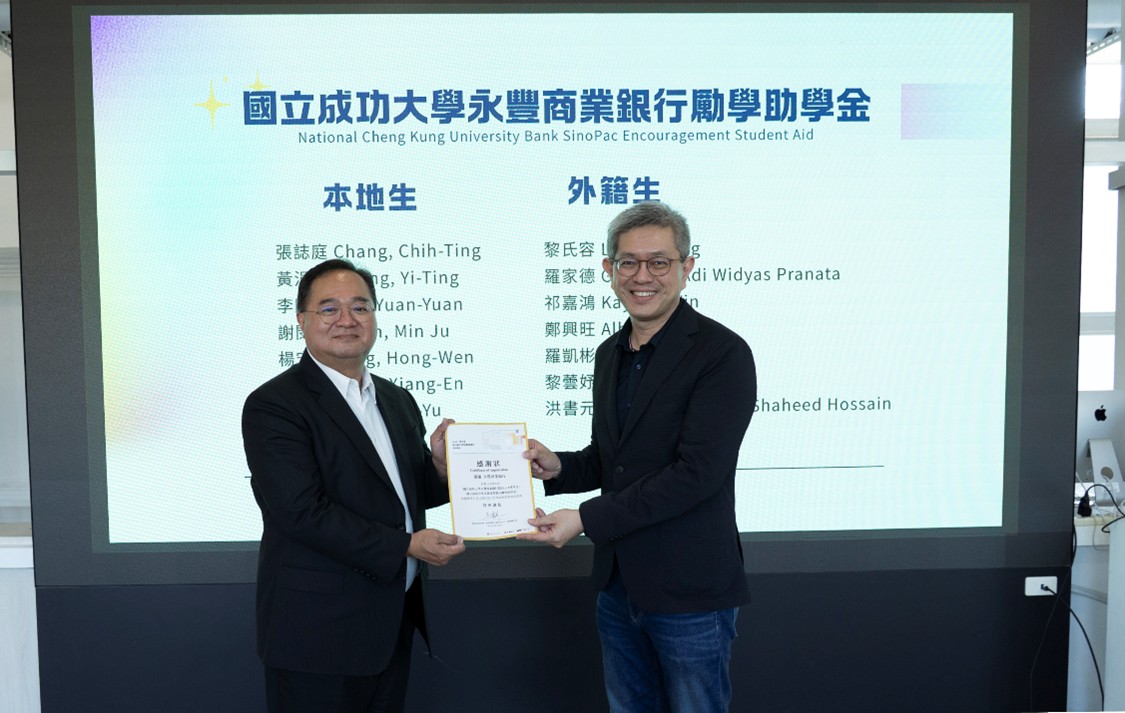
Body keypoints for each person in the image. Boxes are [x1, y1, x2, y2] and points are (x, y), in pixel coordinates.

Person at [517, 202, 756, 713]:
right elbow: (615, 459)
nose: (642, 276)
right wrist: (558, 467)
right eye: (628, 262)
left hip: (690, 591)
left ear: (687, 267)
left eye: (659, 262)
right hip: (618, 586)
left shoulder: (722, 353)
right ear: (609, 269)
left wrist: (585, 518)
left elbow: (698, 474)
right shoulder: (610, 353)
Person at [242, 258, 465, 713]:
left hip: (390, 623)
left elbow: (403, 495)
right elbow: (301, 512)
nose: (347, 319)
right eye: (329, 309)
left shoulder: (396, 399)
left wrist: (441, 470)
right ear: (301, 320)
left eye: (360, 307)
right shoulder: (274, 404)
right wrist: (408, 546)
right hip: (317, 634)